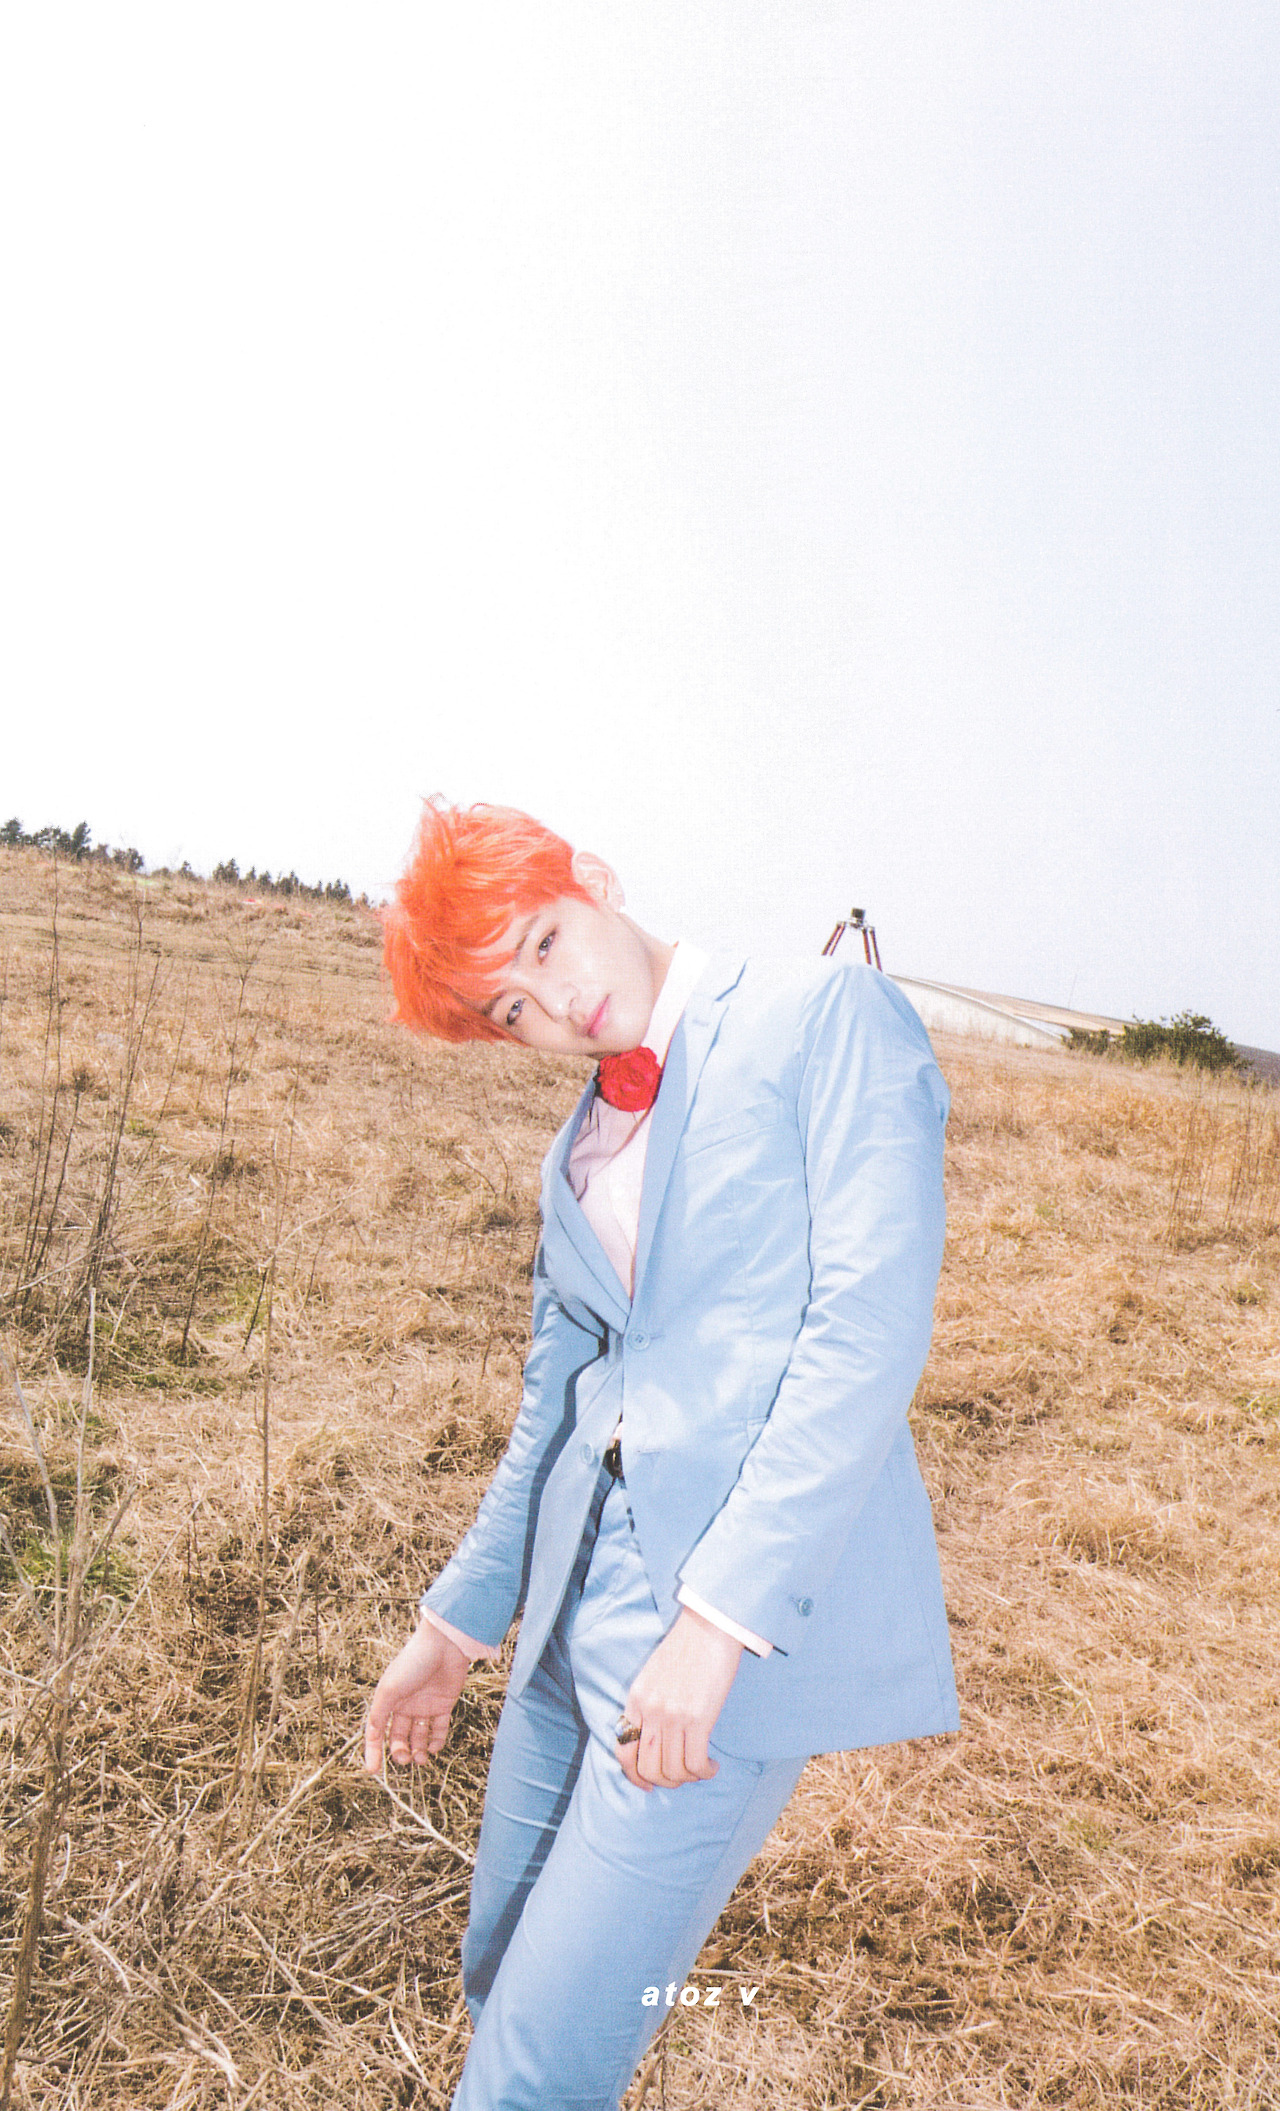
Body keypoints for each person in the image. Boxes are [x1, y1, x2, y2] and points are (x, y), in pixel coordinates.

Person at [363, 799, 958, 2111]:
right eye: (510, 1008)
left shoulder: (825, 1016)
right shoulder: (577, 1148)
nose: (556, 1004)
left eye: (544, 942)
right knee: (500, 1975)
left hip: (709, 1634)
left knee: (537, 2068)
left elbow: (864, 1333)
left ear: (592, 878)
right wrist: (455, 1628)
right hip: (567, 1609)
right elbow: (557, 1405)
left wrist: (718, 1624)